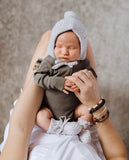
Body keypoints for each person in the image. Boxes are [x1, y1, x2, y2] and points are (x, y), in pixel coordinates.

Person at [0, 17, 127, 160]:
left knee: (53, 38)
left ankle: (46, 66)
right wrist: (95, 105)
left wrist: (43, 72)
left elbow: (20, 130)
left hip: (35, 121)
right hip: (85, 125)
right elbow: (118, 156)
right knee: (77, 46)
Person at [33, 11, 97, 139]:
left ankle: (81, 129)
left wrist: (81, 81)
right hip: (51, 110)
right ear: (53, 45)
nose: (64, 52)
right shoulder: (50, 61)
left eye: (71, 48)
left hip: (75, 111)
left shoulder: (83, 63)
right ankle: (60, 129)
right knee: (40, 116)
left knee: (87, 111)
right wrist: (59, 83)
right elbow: (38, 77)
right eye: (59, 46)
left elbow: (93, 77)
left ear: (81, 48)